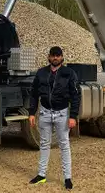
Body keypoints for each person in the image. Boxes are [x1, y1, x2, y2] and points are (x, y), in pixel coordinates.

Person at [28, 46, 81, 190]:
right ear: (49, 57)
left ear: (62, 57)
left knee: (64, 145)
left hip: (62, 114)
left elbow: (76, 96)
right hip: (44, 113)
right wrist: (32, 112)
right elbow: (33, 94)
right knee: (44, 143)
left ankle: (68, 178)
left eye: (58, 55)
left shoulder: (69, 73)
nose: (55, 58)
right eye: (53, 55)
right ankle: (41, 175)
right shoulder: (41, 73)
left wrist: (73, 116)